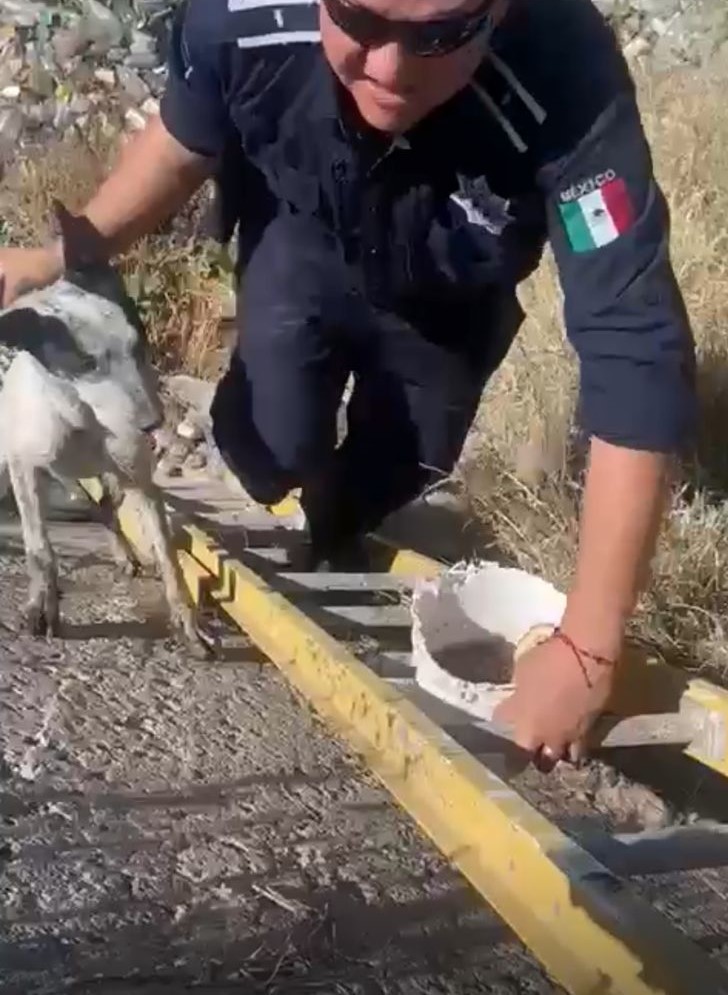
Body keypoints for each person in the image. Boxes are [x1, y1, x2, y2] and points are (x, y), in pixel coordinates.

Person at [0, 0, 696, 767]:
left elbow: (634, 340)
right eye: (361, 20)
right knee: (271, 448)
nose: (391, 68)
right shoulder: (239, 14)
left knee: (404, 465)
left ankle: (337, 526)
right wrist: (60, 255)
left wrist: (588, 646)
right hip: (304, 244)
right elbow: (183, 135)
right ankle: (275, 453)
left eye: (442, 32)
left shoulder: (570, 72)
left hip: (450, 298)